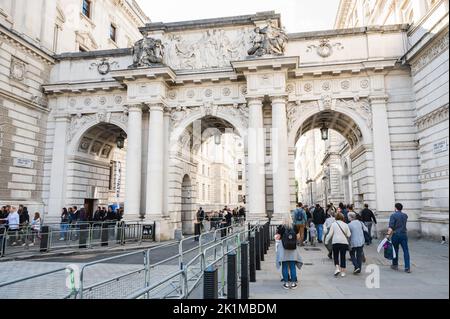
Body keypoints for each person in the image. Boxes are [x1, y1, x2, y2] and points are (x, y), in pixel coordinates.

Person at [275, 214, 302, 290]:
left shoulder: (281, 227)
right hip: (293, 249)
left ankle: (286, 283)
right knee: (293, 266)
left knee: (284, 266)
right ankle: (293, 283)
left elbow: (278, 237)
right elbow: (298, 237)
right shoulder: (294, 226)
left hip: (284, 249)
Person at [386, 203, 411, 273]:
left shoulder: (393, 215)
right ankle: (407, 267)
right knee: (406, 250)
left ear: (395, 208)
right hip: (404, 234)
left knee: (395, 250)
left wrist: (388, 235)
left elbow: (391, 226)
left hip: (396, 234)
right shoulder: (405, 215)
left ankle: (395, 264)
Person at [325, 212, 351, 277]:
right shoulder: (346, 224)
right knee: (343, 256)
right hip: (344, 242)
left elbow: (330, 234)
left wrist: (326, 241)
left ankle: (337, 268)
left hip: (335, 242)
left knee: (335, 256)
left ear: (336, 217)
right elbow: (349, 234)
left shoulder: (333, 224)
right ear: (342, 217)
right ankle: (343, 272)